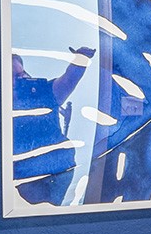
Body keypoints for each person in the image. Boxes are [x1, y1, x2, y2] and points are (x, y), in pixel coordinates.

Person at [12, 46, 96, 205]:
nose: (20, 80)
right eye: (12, 77)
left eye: (21, 74)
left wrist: (81, 59)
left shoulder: (44, 93)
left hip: (60, 169)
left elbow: (68, 80)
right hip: (27, 179)